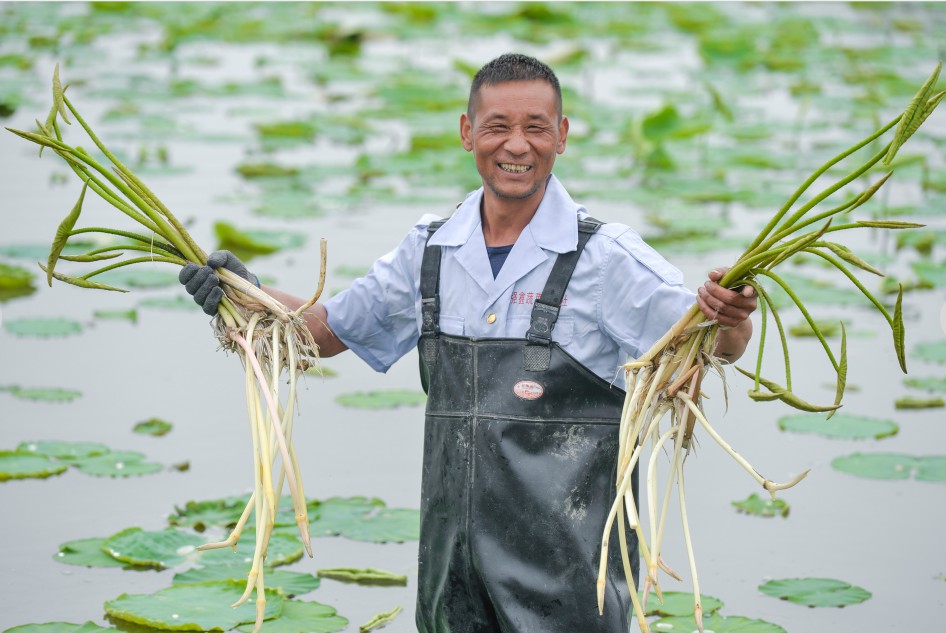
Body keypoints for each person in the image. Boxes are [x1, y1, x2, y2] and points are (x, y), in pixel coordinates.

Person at [181, 53, 757, 633]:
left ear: (562, 136)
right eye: (497, 126)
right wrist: (245, 295)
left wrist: (731, 318)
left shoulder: (606, 259)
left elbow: (712, 345)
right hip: (451, 586)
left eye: (535, 127)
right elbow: (326, 331)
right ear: (467, 133)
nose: (516, 145)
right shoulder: (430, 251)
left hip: (569, 593)